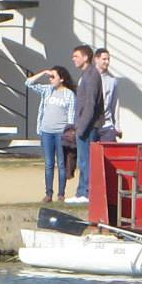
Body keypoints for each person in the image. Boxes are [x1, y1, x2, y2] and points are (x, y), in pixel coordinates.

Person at [28, 65, 77, 204]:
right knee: (49, 163)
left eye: (53, 77)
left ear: (61, 79)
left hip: (60, 133)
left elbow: (71, 117)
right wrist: (43, 72)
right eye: (50, 77)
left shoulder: (69, 94)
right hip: (46, 131)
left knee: (61, 164)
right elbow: (28, 83)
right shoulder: (47, 90)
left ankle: (61, 194)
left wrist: (69, 134)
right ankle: (48, 193)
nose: (50, 79)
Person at [66, 43, 101, 203]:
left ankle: (87, 193)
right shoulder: (85, 74)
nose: (73, 59)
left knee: (86, 160)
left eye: (76, 56)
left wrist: (81, 128)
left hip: (88, 127)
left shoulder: (92, 74)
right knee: (82, 160)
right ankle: (81, 192)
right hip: (82, 125)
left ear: (85, 57)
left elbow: (90, 104)